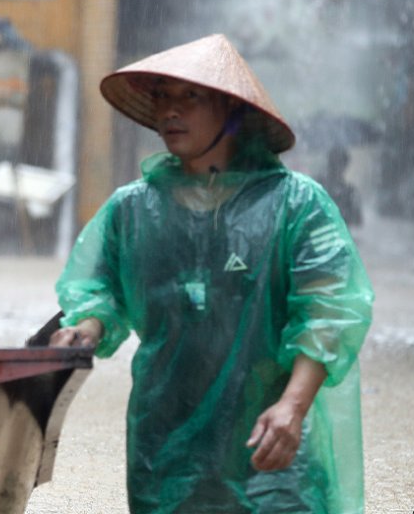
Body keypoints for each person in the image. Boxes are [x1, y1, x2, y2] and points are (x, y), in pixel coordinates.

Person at [48, 34, 374, 513]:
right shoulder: (133, 208)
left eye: (190, 97)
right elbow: (101, 289)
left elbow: (330, 312)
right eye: (161, 97)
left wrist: (293, 407)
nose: (170, 111)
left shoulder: (297, 204)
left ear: (232, 110)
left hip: (269, 428)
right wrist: (85, 329)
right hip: (165, 434)